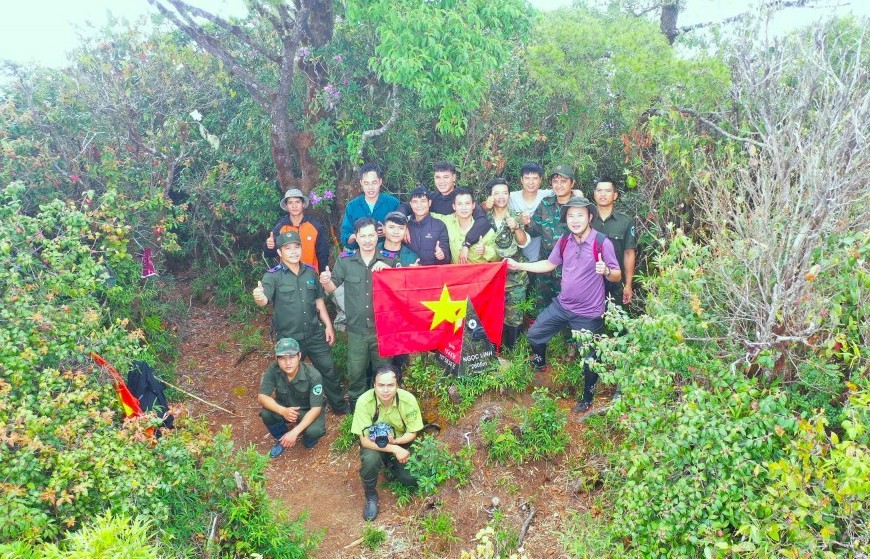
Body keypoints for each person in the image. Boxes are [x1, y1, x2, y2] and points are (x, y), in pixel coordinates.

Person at [506, 196, 621, 413]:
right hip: (563, 305)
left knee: (589, 358)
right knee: (535, 334)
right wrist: (519, 265)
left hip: (589, 313)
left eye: (580, 215)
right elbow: (549, 264)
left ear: (590, 217)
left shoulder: (601, 242)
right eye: (571, 216)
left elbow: (616, 275)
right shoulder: (565, 240)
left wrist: (605, 271)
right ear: (565, 219)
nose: (575, 220)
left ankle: (588, 397)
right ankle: (539, 362)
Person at [253, 231, 349, 414]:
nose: (293, 252)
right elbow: (264, 300)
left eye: (296, 247)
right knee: (289, 375)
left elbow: (318, 301)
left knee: (328, 370)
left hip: (314, 334)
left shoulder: (310, 271)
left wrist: (328, 325)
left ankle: (340, 407)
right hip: (289, 338)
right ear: (280, 253)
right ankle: (292, 412)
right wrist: (258, 297)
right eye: (288, 248)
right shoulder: (272, 276)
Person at [320, 217, 396, 409]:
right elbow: (331, 287)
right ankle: (357, 411)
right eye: (363, 236)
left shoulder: (389, 258)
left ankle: (383, 409)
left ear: (377, 236)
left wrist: (390, 271)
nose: (368, 240)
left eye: (371, 235)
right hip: (357, 331)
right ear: (356, 237)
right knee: (356, 373)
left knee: (384, 373)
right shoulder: (345, 261)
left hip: (383, 330)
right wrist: (325, 280)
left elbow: (403, 287)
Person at [350, 365, 424, 521]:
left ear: (398, 385)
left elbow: (412, 432)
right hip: (374, 444)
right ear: (374, 385)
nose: (385, 390)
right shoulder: (364, 402)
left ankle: (391, 467)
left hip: (401, 441)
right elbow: (364, 440)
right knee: (370, 460)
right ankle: (370, 496)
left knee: (411, 479)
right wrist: (395, 449)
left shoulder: (408, 400)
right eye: (381, 385)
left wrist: (396, 443)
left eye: (390, 385)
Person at [257, 337, 326, 458]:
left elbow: (316, 409)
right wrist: (282, 411)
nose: (287, 362)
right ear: (276, 358)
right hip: (285, 408)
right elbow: (262, 397)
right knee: (266, 413)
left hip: (306, 411)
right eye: (282, 358)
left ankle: (305, 438)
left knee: (315, 432)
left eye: (292, 357)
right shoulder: (274, 369)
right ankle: (283, 438)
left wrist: (295, 432)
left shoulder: (313, 375)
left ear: (299, 356)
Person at [525, 164, 577, 313]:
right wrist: (527, 223)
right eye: (555, 181)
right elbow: (534, 231)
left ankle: (568, 336)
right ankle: (545, 336)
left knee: (569, 307)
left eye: (563, 181)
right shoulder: (546, 203)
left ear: (572, 183)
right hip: (545, 265)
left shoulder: (579, 206)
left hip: (570, 267)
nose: (559, 185)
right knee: (543, 308)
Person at [486, 178, 529, 349]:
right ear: (490, 196)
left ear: (509, 195)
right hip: (490, 277)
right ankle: (492, 351)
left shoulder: (516, 216)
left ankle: (513, 353)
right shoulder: (483, 216)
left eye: (504, 192)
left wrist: (516, 227)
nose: (501, 196)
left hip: (514, 277)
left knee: (514, 316)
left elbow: (523, 242)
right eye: (496, 193)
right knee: (491, 314)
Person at [425, 161, 492, 263]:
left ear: (454, 177)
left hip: (463, 258)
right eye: (438, 177)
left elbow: (482, 221)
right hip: (440, 256)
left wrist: (467, 243)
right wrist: (406, 223)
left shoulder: (463, 197)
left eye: (446, 177)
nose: (441, 181)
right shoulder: (432, 198)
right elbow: (410, 207)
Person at [591, 177, 637, 307]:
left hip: (616, 285)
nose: (603, 194)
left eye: (608, 191)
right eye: (599, 190)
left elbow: (629, 253)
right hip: (589, 283)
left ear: (615, 195)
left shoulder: (625, 222)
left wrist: (628, 285)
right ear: (594, 194)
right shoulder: (586, 220)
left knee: (616, 324)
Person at [263, 188, 330, 273]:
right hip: (287, 278)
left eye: (297, 202)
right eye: (290, 203)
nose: (294, 206)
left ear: (303, 204)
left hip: (311, 277)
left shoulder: (314, 226)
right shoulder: (280, 227)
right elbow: (270, 254)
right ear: (286, 206)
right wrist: (269, 246)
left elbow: (323, 254)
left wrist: (322, 274)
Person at [340, 163, 400, 249]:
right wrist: (358, 235)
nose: (370, 187)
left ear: (380, 182)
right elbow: (345, 237)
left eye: (374, 183)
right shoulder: (352, 206)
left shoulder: (393, 203)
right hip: (360, 256)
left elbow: (402, 231)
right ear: (361, 183)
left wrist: (387, 231)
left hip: (387, 254)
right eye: (366, 183)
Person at [442, 188, 497, 264]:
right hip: (456, 274)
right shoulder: (448, 222)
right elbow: (428, 215)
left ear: (473, 205)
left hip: (479, 274)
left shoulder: (486, 231)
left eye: (467, 203)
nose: (463, 208)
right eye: (459, 204)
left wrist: (485, 250)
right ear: (454, 206)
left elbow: (498, 257)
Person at [405, 186, 451, 265]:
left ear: (429, 203)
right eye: (415, 202)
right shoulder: (405, 227)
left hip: (433, 274)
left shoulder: (439, 225)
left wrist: (442, 255)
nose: (419, 205)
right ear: (411, 204)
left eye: (423, 201)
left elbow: (447, 258)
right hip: (411, 272)